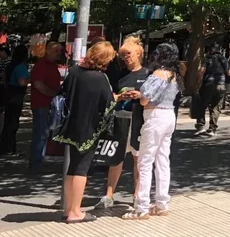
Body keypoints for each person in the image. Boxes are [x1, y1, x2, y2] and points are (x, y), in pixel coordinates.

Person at [55, 41, 117, 224]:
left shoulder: (74, 71)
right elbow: (108, 104)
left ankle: (68, 209)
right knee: (82, 169)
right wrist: (118, 97)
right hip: (88, 129)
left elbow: (64, 91)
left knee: (72, 167)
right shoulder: (100, 78)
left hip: (71, 126)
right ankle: (75, 211)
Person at [124, 43, 180, 219]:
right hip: (169, 115)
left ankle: (142, 207)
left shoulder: (157, 74)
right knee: (163, 160)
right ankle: (162, 203)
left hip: (154, 116)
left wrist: (139, 95)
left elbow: (144, 99)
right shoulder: (174, 75)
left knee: (145, 161)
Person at [96, 38, 148, 210]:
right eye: (123, 55)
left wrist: (140, 96)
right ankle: (109, 194)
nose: (126, 58)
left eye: (129, 54)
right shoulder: (119, 75)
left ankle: (137, 195)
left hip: (139, 120)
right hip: (120, 119)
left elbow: (152, 99)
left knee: (138, 159)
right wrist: (120, 96)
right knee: (115, 158)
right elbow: (111, 95)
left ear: (139, 53)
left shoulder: (147, 74)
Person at [29, 40, 62, 170]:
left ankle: (39, 159)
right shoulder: (41, 65)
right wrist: (53, 94)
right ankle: (35, 162)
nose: (58, 54)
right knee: (41, 133)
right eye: (56, 51)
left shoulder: (53, 66)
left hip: (50, 104)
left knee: (46, 132)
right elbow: (38, 85)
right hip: (41, 104)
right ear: (48, 51)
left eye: (60, 51)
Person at [0, 45, 30, 155]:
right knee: (13, 123)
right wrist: (30, 79)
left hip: (8, 94)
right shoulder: (20, 67)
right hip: (17, 96)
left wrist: (7, 85)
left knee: (8, 122)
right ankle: (10, 147)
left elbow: (3, 78)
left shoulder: (9, 66)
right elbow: (22, 82)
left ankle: (6, 146)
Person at [196, 44, 230, 136]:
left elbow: (201, 71)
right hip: (221, 85)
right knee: (216, 107)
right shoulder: (224, 59)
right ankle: (212, 129)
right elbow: (229, 72)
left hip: (208, 84)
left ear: (211, 50)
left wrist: (198, 83)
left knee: (202, 105)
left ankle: (200, 126)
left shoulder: (207, 58)